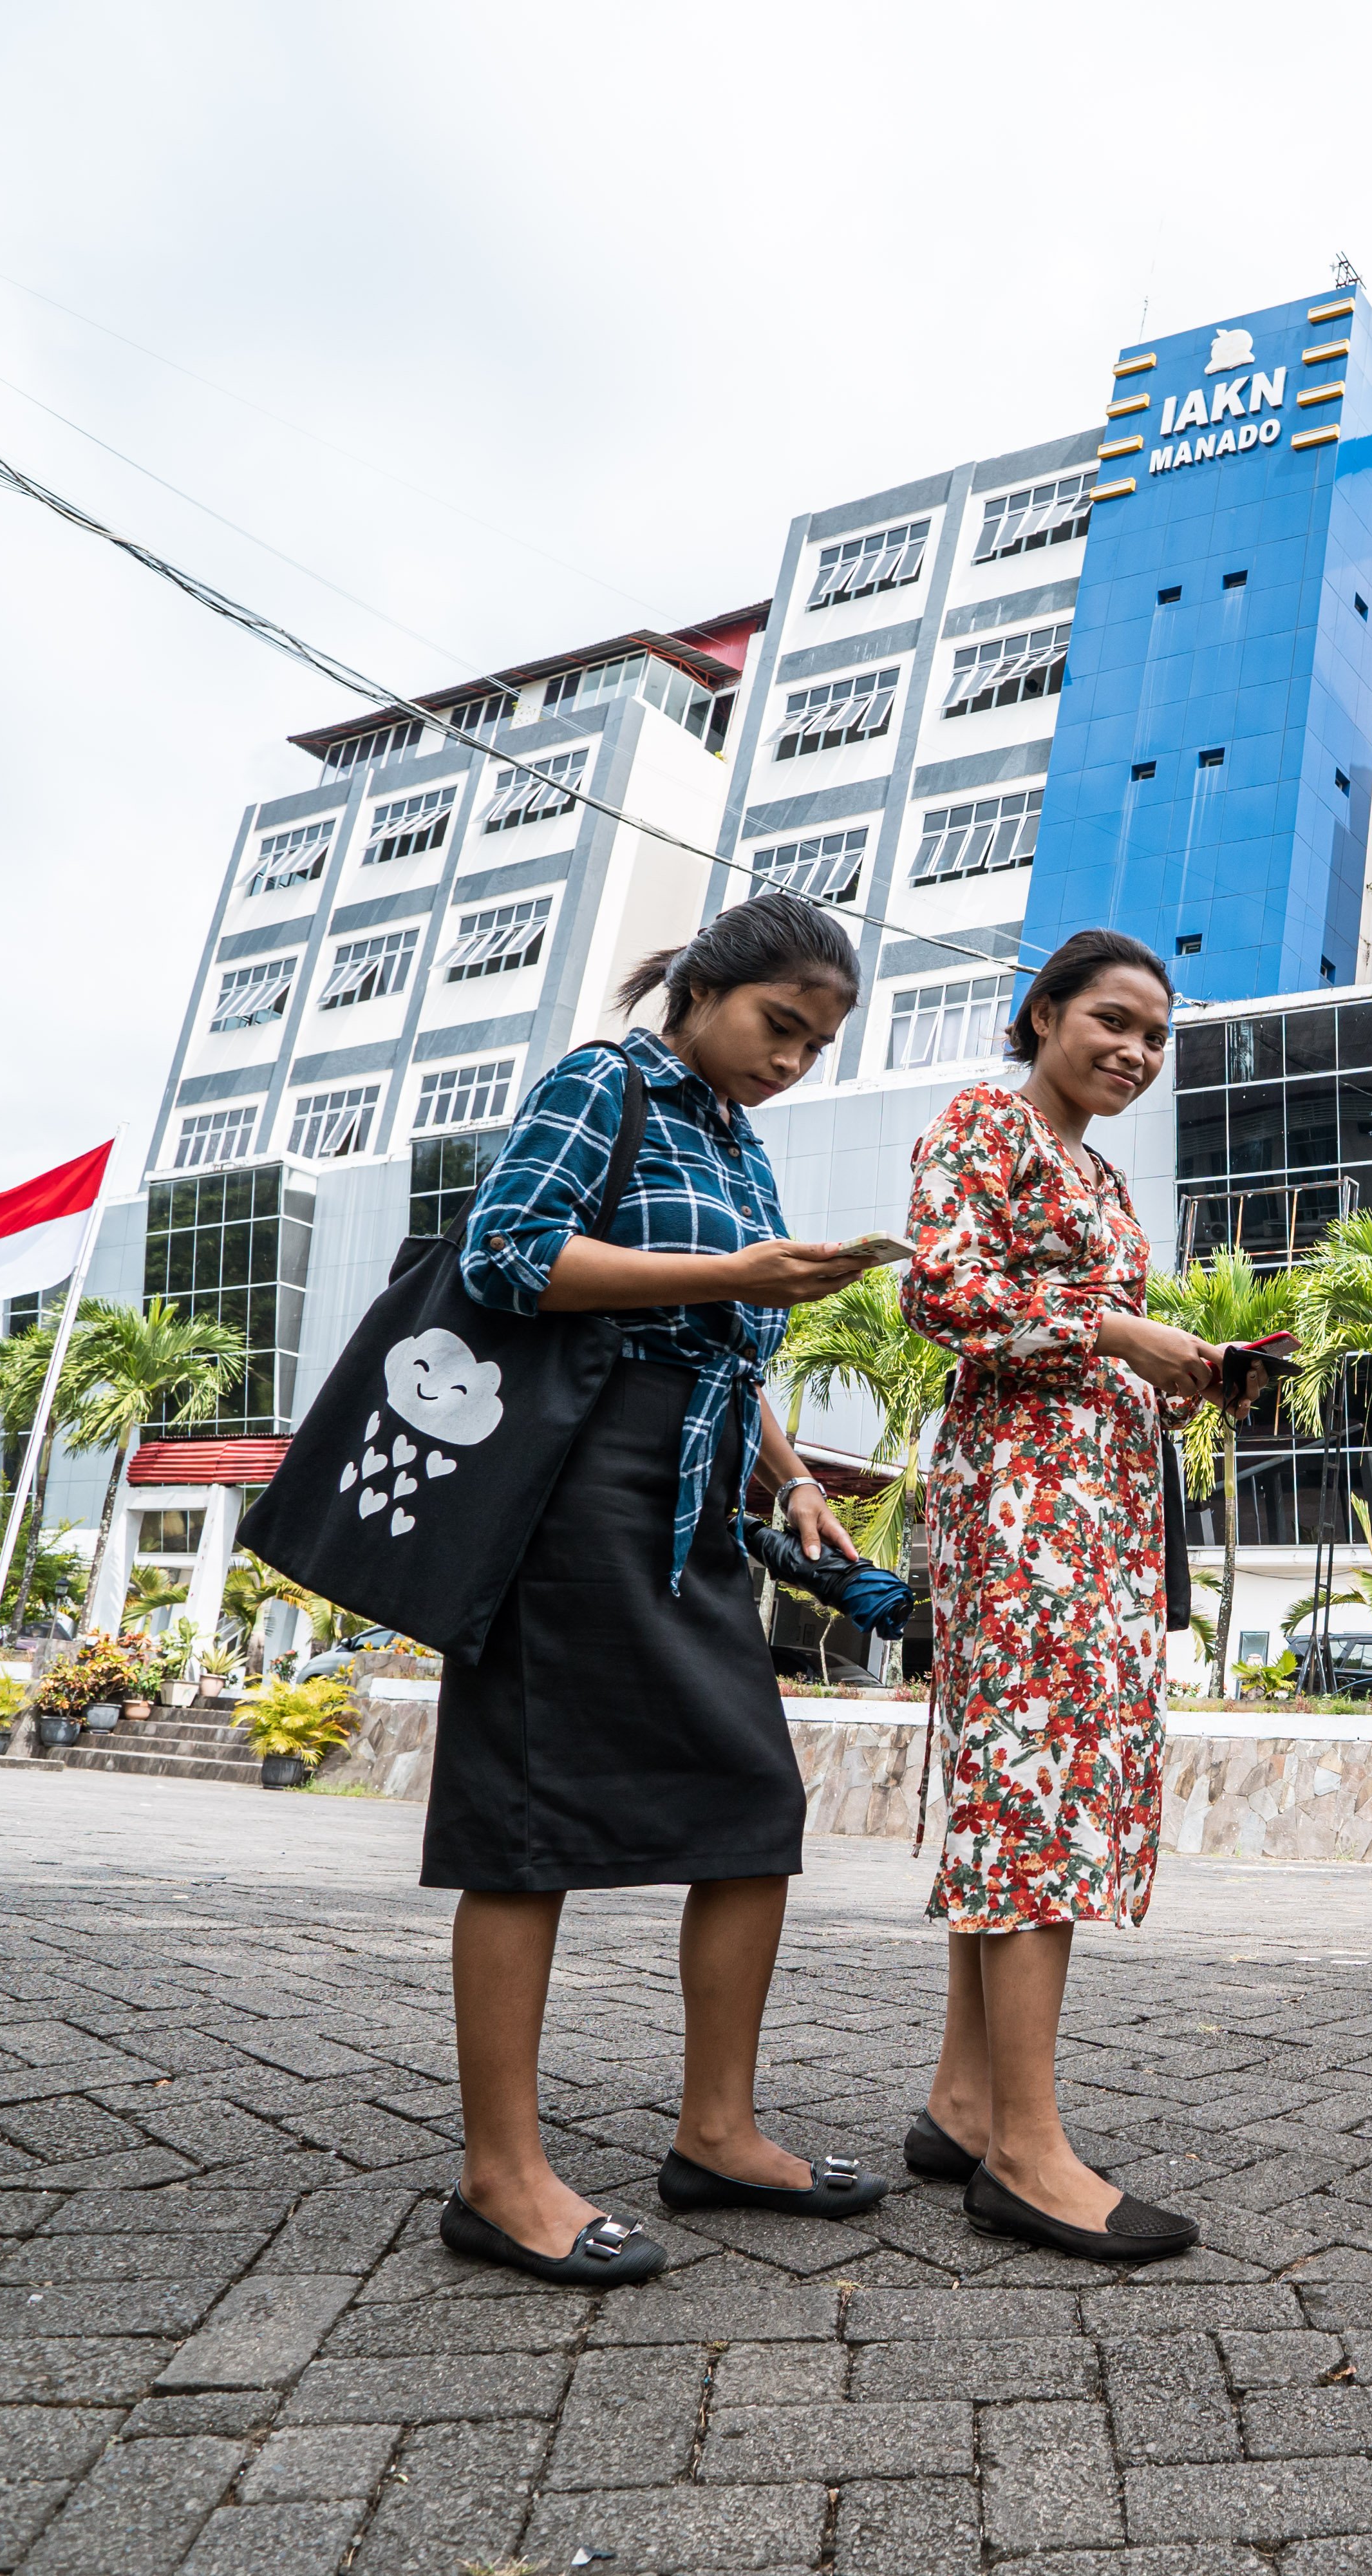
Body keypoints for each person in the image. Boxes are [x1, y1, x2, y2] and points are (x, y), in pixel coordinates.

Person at [431, 891, 903, 2285]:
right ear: (698, 991)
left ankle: (718, 2130)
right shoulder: (605, 1081)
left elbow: (729, 1347)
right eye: (779, 1024)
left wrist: (793, 1477)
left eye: (818, 1043)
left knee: (754, 1804)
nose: (790, 1059)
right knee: (527, 1822)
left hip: (693, 1507)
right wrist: (737, 1268)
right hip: (568, 1493)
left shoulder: (736, 1142)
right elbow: (507, 1254)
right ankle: (500, 2176)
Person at [899, 929, 1230, 2262]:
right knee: (1035, 1788)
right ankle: (1027, 2152)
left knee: (1041, 1780)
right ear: (1039, 1014)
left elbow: (1074, 1327)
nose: (1136, 1051)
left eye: (1156, 1035)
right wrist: (1113, 1331)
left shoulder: (1094, 1167)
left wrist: (1182, 1369)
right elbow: (943, 1288)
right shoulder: (984, 1120)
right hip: (1026, 1496)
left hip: (1094, 1498)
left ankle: (966, 2097)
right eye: (1113, 1019)